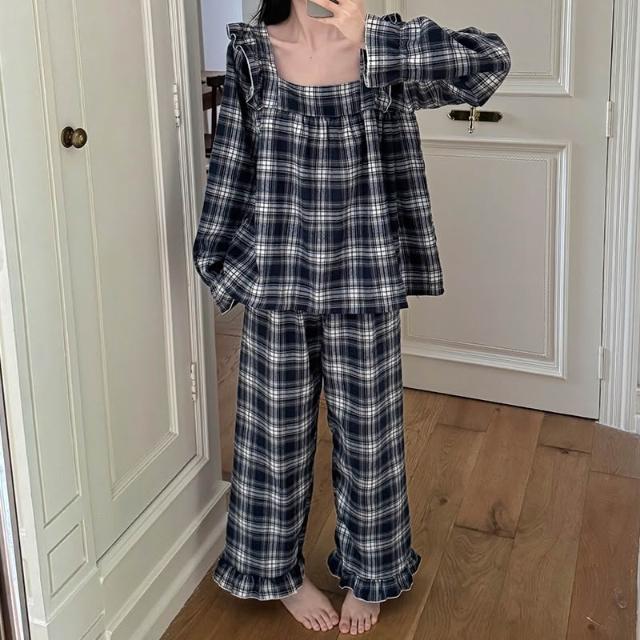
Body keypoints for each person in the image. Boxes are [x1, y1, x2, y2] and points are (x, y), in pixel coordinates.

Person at [193, 0, 511, 634]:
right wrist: (219, 259)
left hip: (366, 278)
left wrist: (375, 40)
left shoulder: (383, 47)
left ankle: (372, 573)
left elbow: (489, 63)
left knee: (371, 439)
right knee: (270, 440)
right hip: (278, 278)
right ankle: (277, 573)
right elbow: (233, 165)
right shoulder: (252, 53)